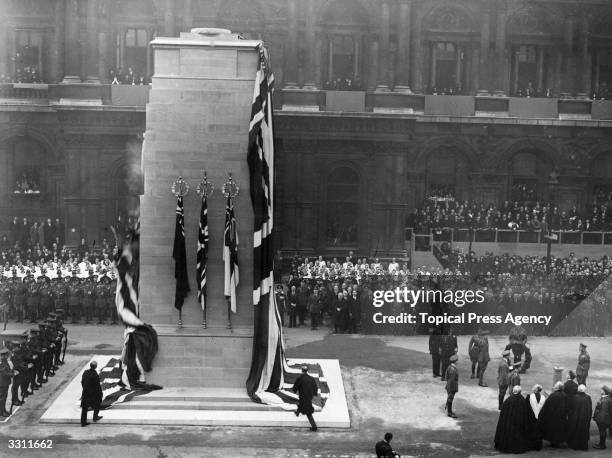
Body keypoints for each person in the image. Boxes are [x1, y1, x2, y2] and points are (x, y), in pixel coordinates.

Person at [494, 385, 532, 453]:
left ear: (513, 391)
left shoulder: (508, 400)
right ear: (520, 392)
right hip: (519, 424)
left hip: (509, 424)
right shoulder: (522, 400)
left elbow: (503, 415)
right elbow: (525, 413)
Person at [539, 381, 567, 448]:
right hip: (561, 416)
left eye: (555, 386)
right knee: (559, 430)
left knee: (553, 430)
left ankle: (553, 443)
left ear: (557, 388)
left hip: (553, 416)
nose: (554, 387)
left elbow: (547, 405)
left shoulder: (553, 395)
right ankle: (558, 442)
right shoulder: (564, 395)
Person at [292, 365, 318, 431]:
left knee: (308, 412)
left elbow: (295, 387)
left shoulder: (299, 378)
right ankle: (297, 412)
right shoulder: (311, 378)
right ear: (307, 370)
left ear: (302, 370)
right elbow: (315, 387)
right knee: (301, 403)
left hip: (303, 395)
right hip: (309, 395)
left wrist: (294, 390)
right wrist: (314, 394)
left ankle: (314, 426)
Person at [567, 384, 592, 450]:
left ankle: (575, 446)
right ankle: (583, 446)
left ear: (578, 389)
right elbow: (590, 409)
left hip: (575, 418)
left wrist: (570, 417)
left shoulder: (574, 397)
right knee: (584, 432)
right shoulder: (588, 397)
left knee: (575, 432)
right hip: (585, 418)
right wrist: (588, 417)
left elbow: (570, 409)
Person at [80, 360, 103, 427]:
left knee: (84, 408)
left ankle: (83, 422)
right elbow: (97, 386)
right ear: (96, 367)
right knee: (97, 402)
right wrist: (100, 393)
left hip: (85, 392)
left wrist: (85, 388)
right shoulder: (95, 375)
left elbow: (82, 382)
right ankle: (95, 417)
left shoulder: (85, 372)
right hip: (92, 394)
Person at [525, 384, 546, 450]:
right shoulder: (543, 398)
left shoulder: (529, 397)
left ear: (536, 389)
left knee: (532, 431)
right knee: (538, 432)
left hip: (531, 417)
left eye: (534, 387)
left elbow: (526, 408)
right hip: (540, 418)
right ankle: (538, 446)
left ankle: (531, 445)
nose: (533, 387)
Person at [593, 385, 612, 449]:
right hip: (606, 419)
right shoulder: (608, 399)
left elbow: (601, 411)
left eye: (602, 390)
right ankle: (601, 444)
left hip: (602, 419)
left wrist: (596, 418)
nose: (600, 391)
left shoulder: (604, 400)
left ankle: (602, 445)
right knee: (603, 432)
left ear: (604, 392)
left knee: (602, 432)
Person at [0, 348, 14, 416]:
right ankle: (2, 412)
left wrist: (12, 372)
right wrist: (13, 374)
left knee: (4, 398)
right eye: (7, 355)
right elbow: (5, 374)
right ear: (4, 356)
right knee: (2, 398)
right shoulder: (3, 363)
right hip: (3, 383)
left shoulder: (4, 362)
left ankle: (3, 410)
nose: (8, 356)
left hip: (4, 383)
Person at [444, 354, 459, 418]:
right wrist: (452, 389)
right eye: (457, 360)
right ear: (455, 361)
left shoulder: (450, 367)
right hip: (452, 386)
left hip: (449, 385)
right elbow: (452, 379)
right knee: (450, 399)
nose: (458, 362)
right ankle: (449, 413)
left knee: (450, 399)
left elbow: (446, 377)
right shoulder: (453, 369)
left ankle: (449, 411)